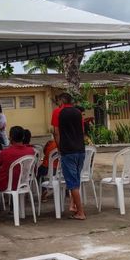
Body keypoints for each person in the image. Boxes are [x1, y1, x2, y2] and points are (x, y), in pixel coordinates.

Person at [52, 92, 86, 220]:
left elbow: (56, 132)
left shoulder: (58, 112)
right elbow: (82, 132)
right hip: (80, 150)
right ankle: (74, 206)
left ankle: (80, 212)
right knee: (76, 179)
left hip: (68, 151)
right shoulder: (78, 112)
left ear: (61, 101)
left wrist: (60, 148)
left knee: (72, 183)